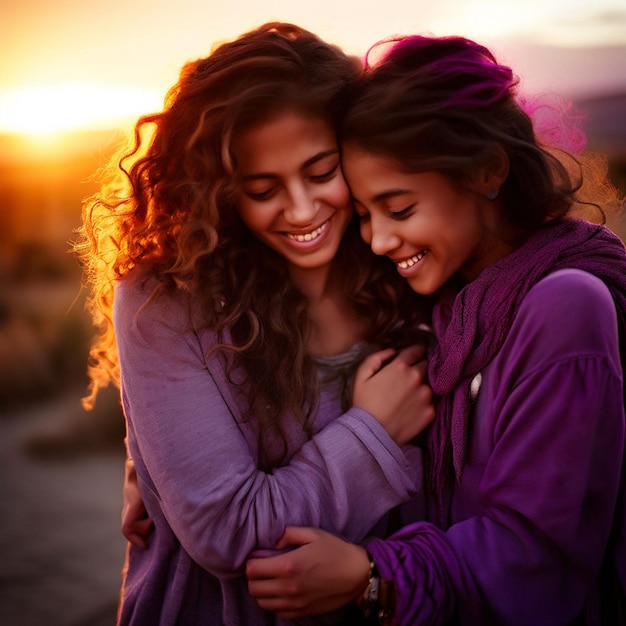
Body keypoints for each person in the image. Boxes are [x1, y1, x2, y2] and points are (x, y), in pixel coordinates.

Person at [245, 34, 626, 625]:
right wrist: (159, 467)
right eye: (366, 215)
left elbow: (536, 556)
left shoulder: (565, 306)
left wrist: (371, 576)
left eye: (399, 210)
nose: (377, 241)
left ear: (486, 171)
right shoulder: (449, 299)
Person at [76, 22, 436, 626]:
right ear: (219, 191)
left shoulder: (406, 261)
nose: (301, 210)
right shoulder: (167, 302)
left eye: (323, 172)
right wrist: (374, 434)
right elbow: (229, 534)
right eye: (263, 188)